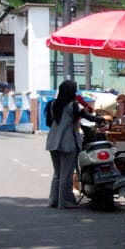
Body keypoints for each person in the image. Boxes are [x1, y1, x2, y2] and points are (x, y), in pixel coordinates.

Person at [44, 80, 107, 208]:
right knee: (66, 174)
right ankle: (64, 202)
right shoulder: (73, 105)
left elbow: (49, 123)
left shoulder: (52, 104)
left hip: (53, 141)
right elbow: (89, 117)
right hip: (68, 142)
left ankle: (53, 200)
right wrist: (101, 119)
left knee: (57, 173)